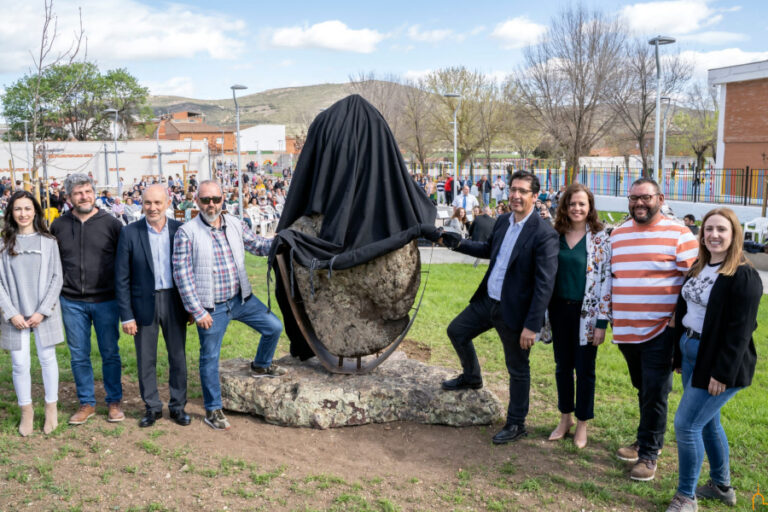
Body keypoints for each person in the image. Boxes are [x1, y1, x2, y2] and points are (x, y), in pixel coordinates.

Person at [439, 170, 559, 445]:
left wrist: (532, 325)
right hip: (487, 302)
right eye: (513, 189)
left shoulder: (544, 234)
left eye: (522, 191)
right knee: (456, 331)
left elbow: (544, 285)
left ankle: (516, 423)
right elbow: (487, 249)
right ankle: (472, 377)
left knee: (517, 368)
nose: (515, 195)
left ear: (535, 195)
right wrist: (455, 243)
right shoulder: (503, 220)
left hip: (514, 312)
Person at [664, 208, 762, 512]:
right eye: (708, 229)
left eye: (721, 229)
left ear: (734, 234)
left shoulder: (744, 276)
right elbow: (687, 312)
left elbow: (739, 333)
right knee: (706, 422)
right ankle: (721, 486)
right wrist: (680, 355)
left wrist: (722, 373)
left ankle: (686, 497)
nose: (713, 235)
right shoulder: (700, 265)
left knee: (686, 424)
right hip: (692, 350)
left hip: (719, 360)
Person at [172, 180, 286, 431]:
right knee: (210, 357)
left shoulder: (234, 223)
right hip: (211, 308)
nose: (211, 204)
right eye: (205, 200)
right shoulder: (187, 232)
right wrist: (197, 310)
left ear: (223, 200)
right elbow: (182, 275)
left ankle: (261, 364)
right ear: (197, 202)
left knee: (274, 327)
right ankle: (213, 409)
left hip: (240, 299)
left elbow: (258, 245)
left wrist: (281, 240)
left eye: (215, 199)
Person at [610, 178, 698, 481]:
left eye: (645, 197)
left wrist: (678, 316)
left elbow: (696, 279)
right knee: (643, 389)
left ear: (660, 198)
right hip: (626, 331)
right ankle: (643, 439)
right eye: (633, 198)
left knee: (656, 392)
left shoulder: (679, 234)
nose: (639, 203)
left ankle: (649, 454)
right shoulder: (618, 235)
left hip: (660, 330)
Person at [50, 173, 125, 425]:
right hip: (71, 301)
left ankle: (114, 401)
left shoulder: (112, 224)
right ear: (69, 197)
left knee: (110, 353)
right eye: (78, 193)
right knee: (79, 355)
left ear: (94, 193)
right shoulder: (58, 226)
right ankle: (86, 403)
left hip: (105, 300)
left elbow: (123, 264)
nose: (84, 196)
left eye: (88, 191)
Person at [115, 185, 191, 428]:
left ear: (168, 203)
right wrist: (126, 315)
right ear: (142, 204)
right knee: (146, 359)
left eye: (157, 203)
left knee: (178, 357)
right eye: (147, 203)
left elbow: (190, 271)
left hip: (174, 302)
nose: (152, 208)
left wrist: (192, 306)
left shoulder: (181, 230)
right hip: (143, 304)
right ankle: (152, 407)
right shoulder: (130, 233)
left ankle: (178, 407)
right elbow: (122, 277)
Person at [546, 184, 611, 449]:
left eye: (582, 204)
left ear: (590, 207)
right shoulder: (554, 235)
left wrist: (601, 323)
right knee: (562, 367)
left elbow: (607, 281)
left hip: (587, 313)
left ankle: (583, 423)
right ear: (565, 206)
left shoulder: (601, 238)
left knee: (585, 370)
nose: (577, 208)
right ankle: (565, 418)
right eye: (572, 203)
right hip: (559, 310)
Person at [0, 191, 64, 436]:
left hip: (42, 313)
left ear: (35, 211)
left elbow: (57, 278)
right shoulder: (4, 244)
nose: (23, 214)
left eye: (27, 208)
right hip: (14, 315)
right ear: (11, 213)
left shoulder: (48, 242)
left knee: (47, 359)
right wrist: (11, 312)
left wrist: (42, 311)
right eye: (18, 209)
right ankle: (26, 410)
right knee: (19, 363)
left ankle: (51, 407)